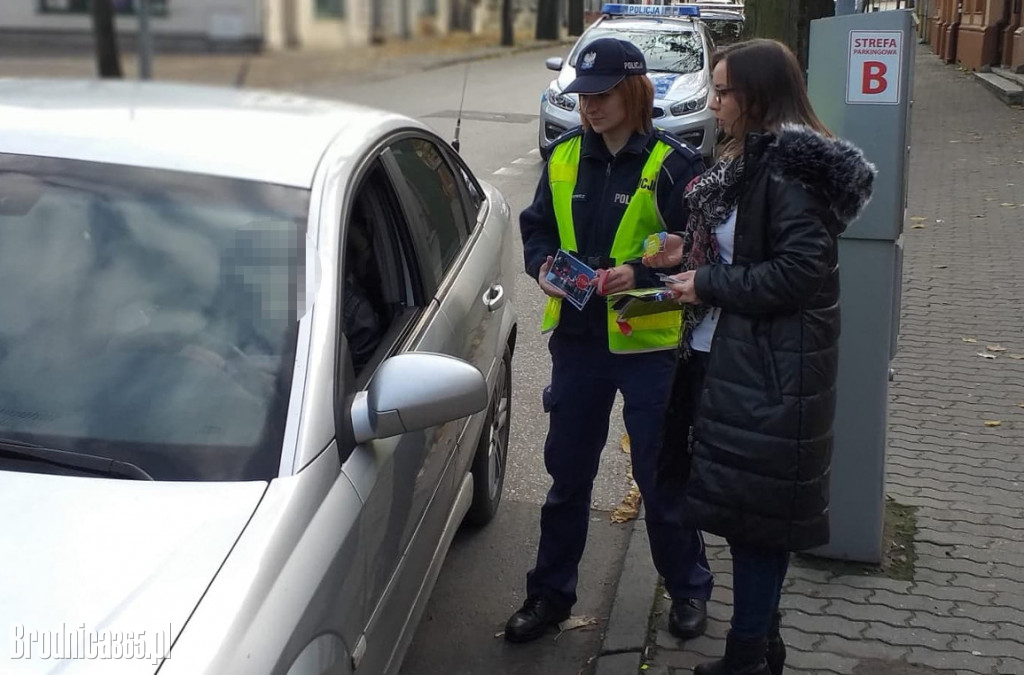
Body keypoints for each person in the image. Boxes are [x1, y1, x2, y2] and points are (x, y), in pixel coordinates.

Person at [644, 39, 875, 675]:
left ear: (758, 97)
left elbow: (799, 271)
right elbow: (740, 245)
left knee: (756, 524)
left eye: (722, 93)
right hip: (731, 362)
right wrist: (682, 253)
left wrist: (708, 284)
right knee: (746, 514)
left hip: (771, 372)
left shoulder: (791, 168)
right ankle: (763, 647)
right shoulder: (750, 158)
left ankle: (745, 657)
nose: (713, 104)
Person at [507, 37, 714, 644]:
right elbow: (537, 229)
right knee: (567, 476)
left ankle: (688, 589)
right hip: (577, 341)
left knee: (661, 478)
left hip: (648, 350)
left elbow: (699, 253)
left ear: (632, 92)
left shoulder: (674, 165)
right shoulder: (566, 155)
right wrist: (542, 267)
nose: (588, 108)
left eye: (600, 96)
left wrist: (641, 274)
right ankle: (548, 596)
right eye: (582, 97)